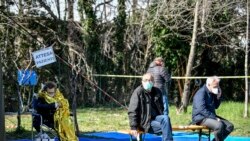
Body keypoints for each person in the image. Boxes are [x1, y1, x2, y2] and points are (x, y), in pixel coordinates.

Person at [128, 73, 173, 141]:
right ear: (142, 81)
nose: (148, 82)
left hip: (156, 118)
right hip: (144, 121)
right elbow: (132, 110)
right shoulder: (138, 92)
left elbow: (161, 108)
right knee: (167, 128)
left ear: (153, 81)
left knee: (166, 118)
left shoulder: (157, 92)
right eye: (146, 80)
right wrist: (133, 127)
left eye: (150, 80)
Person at [192, 76, 234, 141]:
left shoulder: (212, 92)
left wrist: (219, 96)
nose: (217, 88)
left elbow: (216, 106)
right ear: (208, 84)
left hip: (210, 116)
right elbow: (201, 109)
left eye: (218, 86)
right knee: (219, 125)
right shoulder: (201, 93)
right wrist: (214, 118)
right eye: (215, 86)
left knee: (230, 126)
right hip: (200, 118)